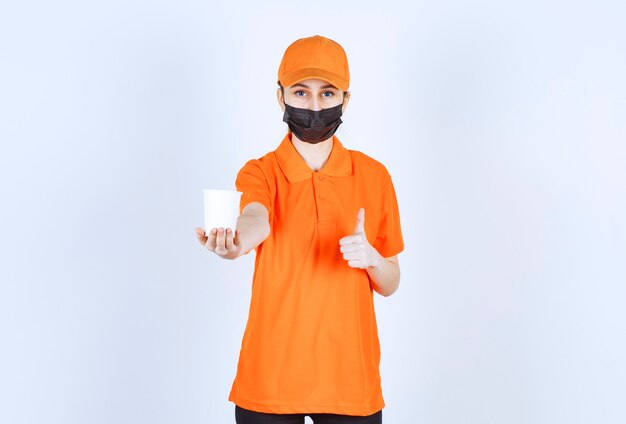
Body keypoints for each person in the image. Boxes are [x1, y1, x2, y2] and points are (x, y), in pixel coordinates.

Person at [195, 35, 404, 424]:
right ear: (281, 97)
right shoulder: (261, 171)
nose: (313, 105)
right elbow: (256, 217)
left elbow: (391, 281)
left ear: (345, 99)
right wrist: (235, 243)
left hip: (349, 381)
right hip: (271, 378)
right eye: (300, 92)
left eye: (327, 93)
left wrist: (373, 259)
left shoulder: (374, 176)